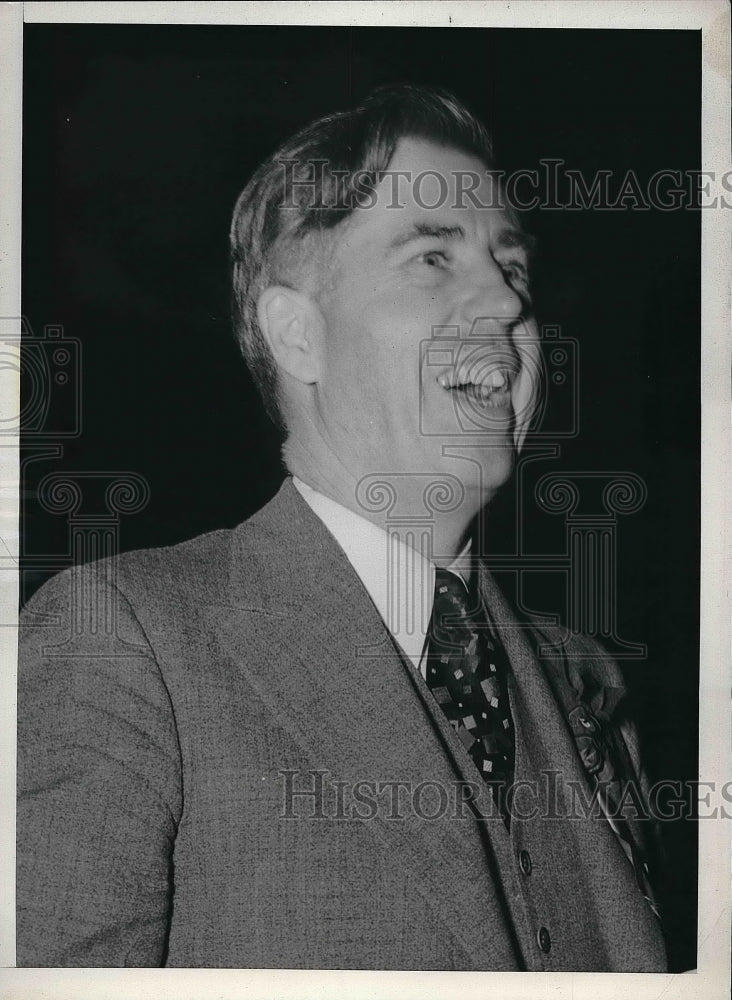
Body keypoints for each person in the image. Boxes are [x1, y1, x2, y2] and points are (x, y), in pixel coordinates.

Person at [17, 84, 668, 971]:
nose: (508, 305)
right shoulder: (127, 643)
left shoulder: (582, 676)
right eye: (433, 259)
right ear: (297, 335)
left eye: (512, 267)